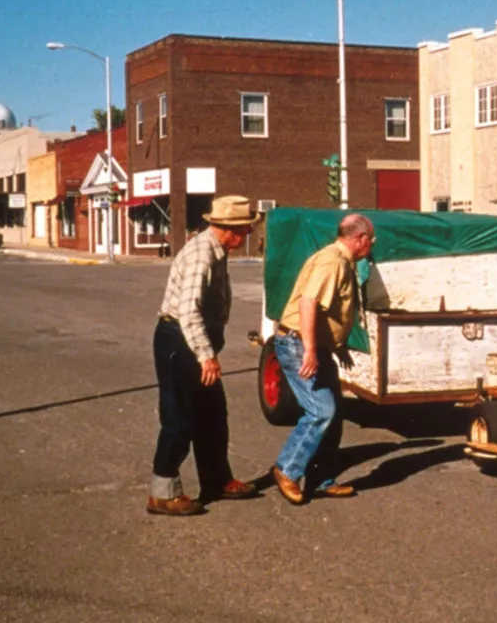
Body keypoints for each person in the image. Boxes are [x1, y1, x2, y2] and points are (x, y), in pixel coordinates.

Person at [147, 195, 262, 516]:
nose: (249, 234)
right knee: (180, 419)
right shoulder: (201, 255)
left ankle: (216, 479)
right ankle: (162, 492)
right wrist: (206, 355)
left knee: (212, 414)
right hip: (180, 341)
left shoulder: (217, 249)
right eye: (246, 229)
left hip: (195, 342)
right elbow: (188, 311)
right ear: (231, 230)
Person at [270, 213, 375, 505]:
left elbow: (331, 311)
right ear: (360, 238)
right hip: (298, 343)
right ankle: (286, 469)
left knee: (334, 412)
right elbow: (308, 302)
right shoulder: (334, 262)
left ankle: (323, 478)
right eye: (371, 240)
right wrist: (311, 350)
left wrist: (336, 345)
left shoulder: (340, 260)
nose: (372, 245)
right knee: (321, 411)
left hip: (315, 344)